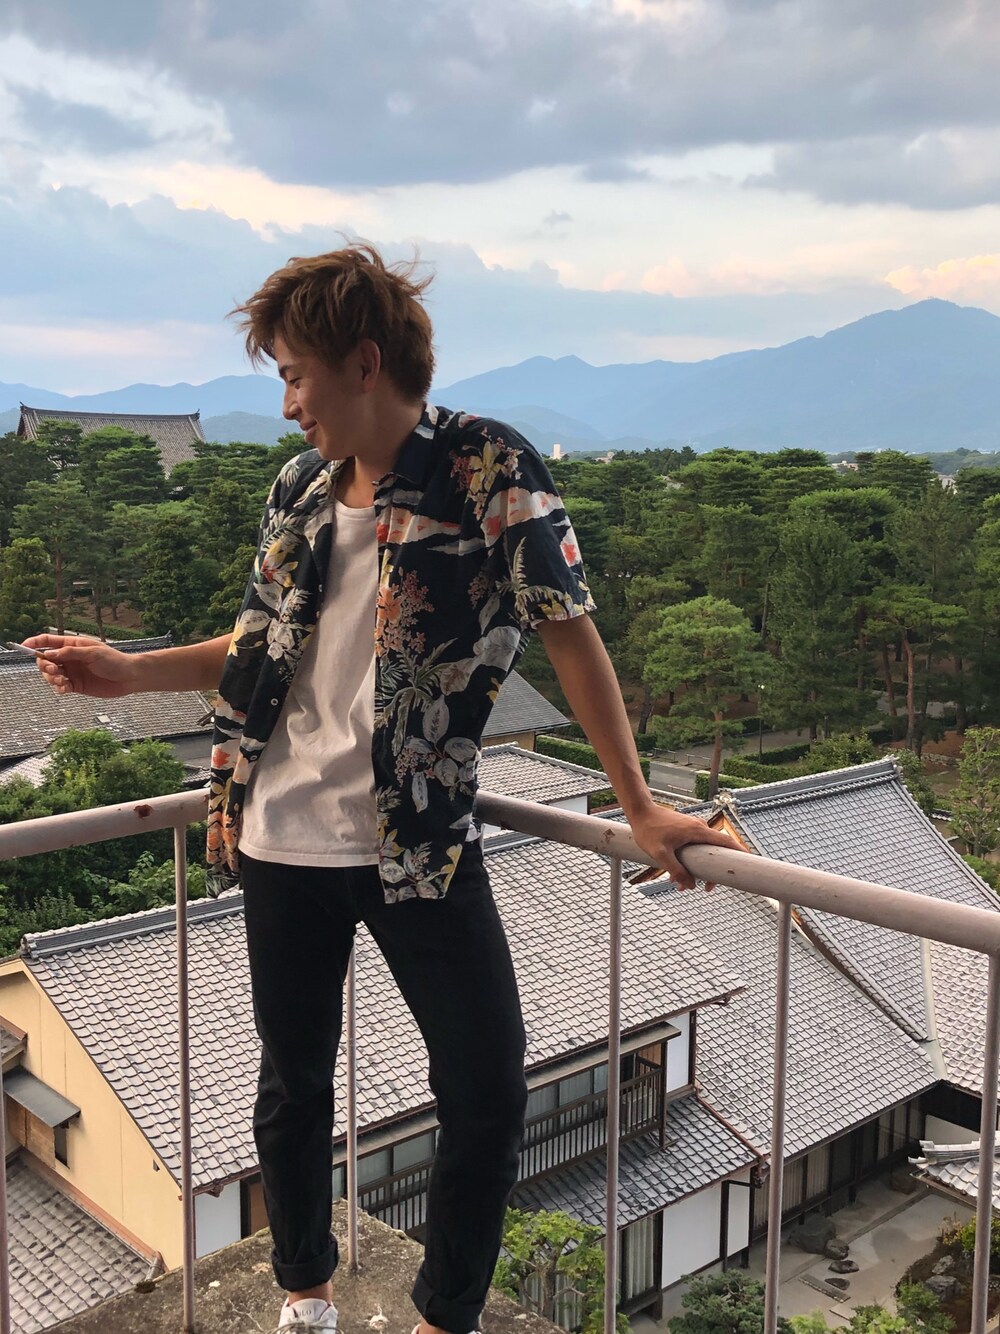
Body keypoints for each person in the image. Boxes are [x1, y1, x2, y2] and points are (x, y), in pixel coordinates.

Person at [26, 245, 742, 1334]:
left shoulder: (486, 465)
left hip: (418, 838)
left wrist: (638, 804)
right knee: (293, 1084)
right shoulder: (299, 487)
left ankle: (442, 1314)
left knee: (486, 1086)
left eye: (295, 375)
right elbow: (260, 644)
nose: (287, 403)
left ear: (364, 363)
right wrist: (129, 672)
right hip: (277, 832)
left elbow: (569, 631)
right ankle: (306, 1293)